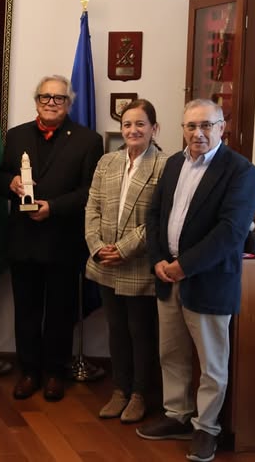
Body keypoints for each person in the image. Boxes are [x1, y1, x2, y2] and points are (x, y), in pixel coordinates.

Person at [138, 99, 255, 462]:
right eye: (191, 126)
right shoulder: (175, 162)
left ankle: (207, 428)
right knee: (171, 353)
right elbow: (156, 214)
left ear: (222, 127)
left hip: (207, 280)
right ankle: (176, 414)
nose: (198, 133)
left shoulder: (240, 171)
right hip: (166, 274)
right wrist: (159, 258)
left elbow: (231, 232)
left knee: (212, 362)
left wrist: (184, 265)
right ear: (182, 129)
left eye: (206, 125)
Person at [0, 74, 102, 402]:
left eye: (58, 98)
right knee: (25, 311)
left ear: (68, 103)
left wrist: (53, 208)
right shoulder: (15, 136)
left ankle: (55, 373)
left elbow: (91, 191)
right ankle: (29, 372)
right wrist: (11, 182)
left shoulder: (88, 140)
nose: (51, 103)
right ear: (36, 101)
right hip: (23, 240)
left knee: (59, 312)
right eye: (45, 97)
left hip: (63, 240)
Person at [84, 99, 168, 423]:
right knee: (116, 330)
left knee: (140, 331)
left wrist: (123, 248)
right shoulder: (107, 161)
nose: (132, 130)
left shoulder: (165, 165)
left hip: (137, 264)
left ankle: (140, 394)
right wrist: (97, 246)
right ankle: (120, 389)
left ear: (154, 128)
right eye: (127, 125)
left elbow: (160, 218)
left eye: (140, 124)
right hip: (104, 262)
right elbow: (92, 207)